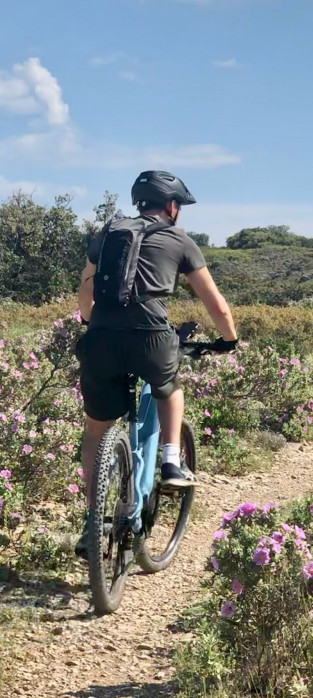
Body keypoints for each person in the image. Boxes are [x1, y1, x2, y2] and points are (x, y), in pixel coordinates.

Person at [75, 170, 238, 558]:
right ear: (171, 206)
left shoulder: (109, 233)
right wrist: (228, 339)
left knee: (95, 434)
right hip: (151, 337)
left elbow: (85, 288)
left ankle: (91, 520)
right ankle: (170, 461)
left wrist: (89, 320)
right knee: (170, 388)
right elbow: (213, 301)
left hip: (100, 339)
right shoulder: (179, 239)